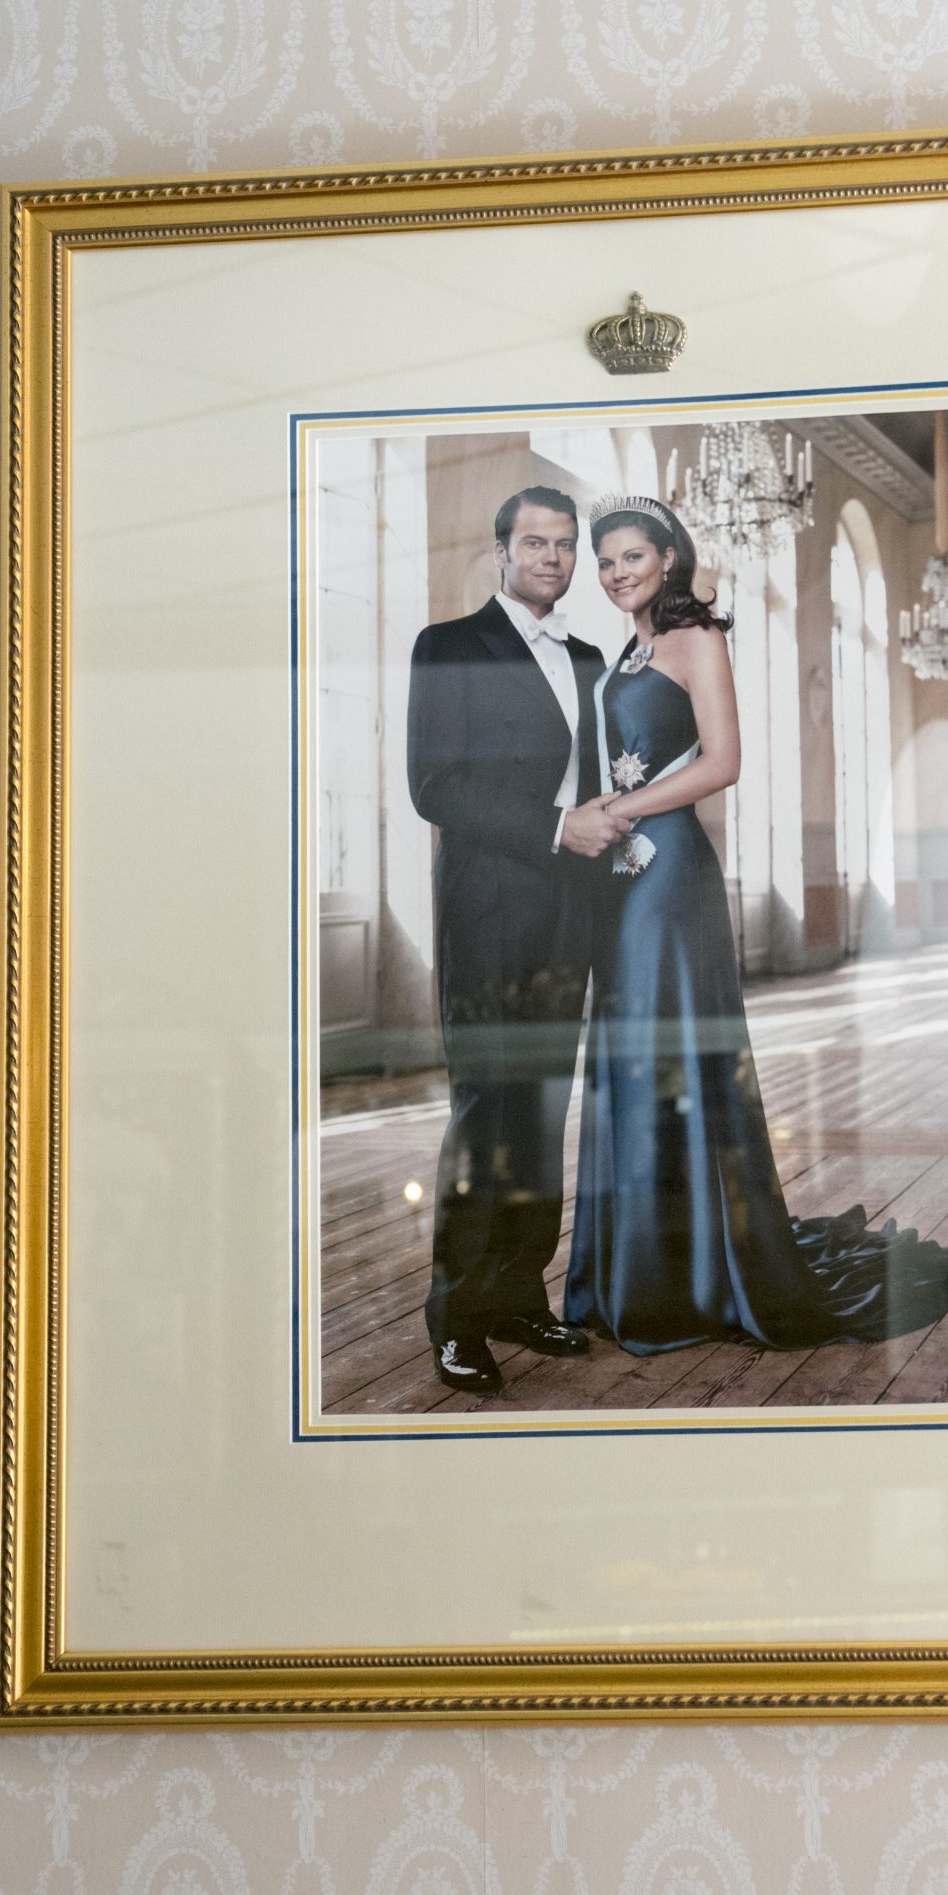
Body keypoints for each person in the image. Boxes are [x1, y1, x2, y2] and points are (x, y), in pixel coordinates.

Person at [563, 493, 948, 1352]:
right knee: (631, 1056)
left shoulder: (696, 638)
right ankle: (635, 1269)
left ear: (668, 559)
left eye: (632, 557)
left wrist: (618, 810)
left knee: (672, 1052)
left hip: (667, 875)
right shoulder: (625, 651)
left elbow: (724, 762)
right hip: (619, 875)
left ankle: (685, 1276)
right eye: (604, 562)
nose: (616, 574)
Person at [406, 486, 630, 1394]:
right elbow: (434, 786)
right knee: (486, 1113)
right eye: (535, 543)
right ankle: (457, 1319)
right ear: (501, 551)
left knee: (541, 1112)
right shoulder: (449, 645)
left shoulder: (587, 657)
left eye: (565, 545)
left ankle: (516, 1297)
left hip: (569, 913)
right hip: (489, 912)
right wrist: (555, 827)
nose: (552, 558)